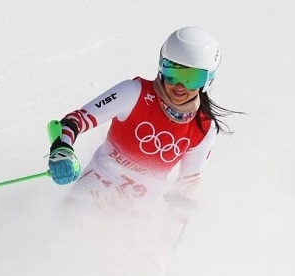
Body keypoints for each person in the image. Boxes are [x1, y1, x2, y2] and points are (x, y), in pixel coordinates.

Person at [47, 26, 241, 251]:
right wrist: (63, 150)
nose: (179, 85)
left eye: (191, 78)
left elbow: (186, 188)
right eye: (173, 71)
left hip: (133, 221)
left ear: (208, 80)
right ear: (161, 65)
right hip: (90, 200)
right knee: (72, 255)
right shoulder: (134, 93)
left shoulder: (203, 128)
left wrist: (169, 239)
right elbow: (74, 121)